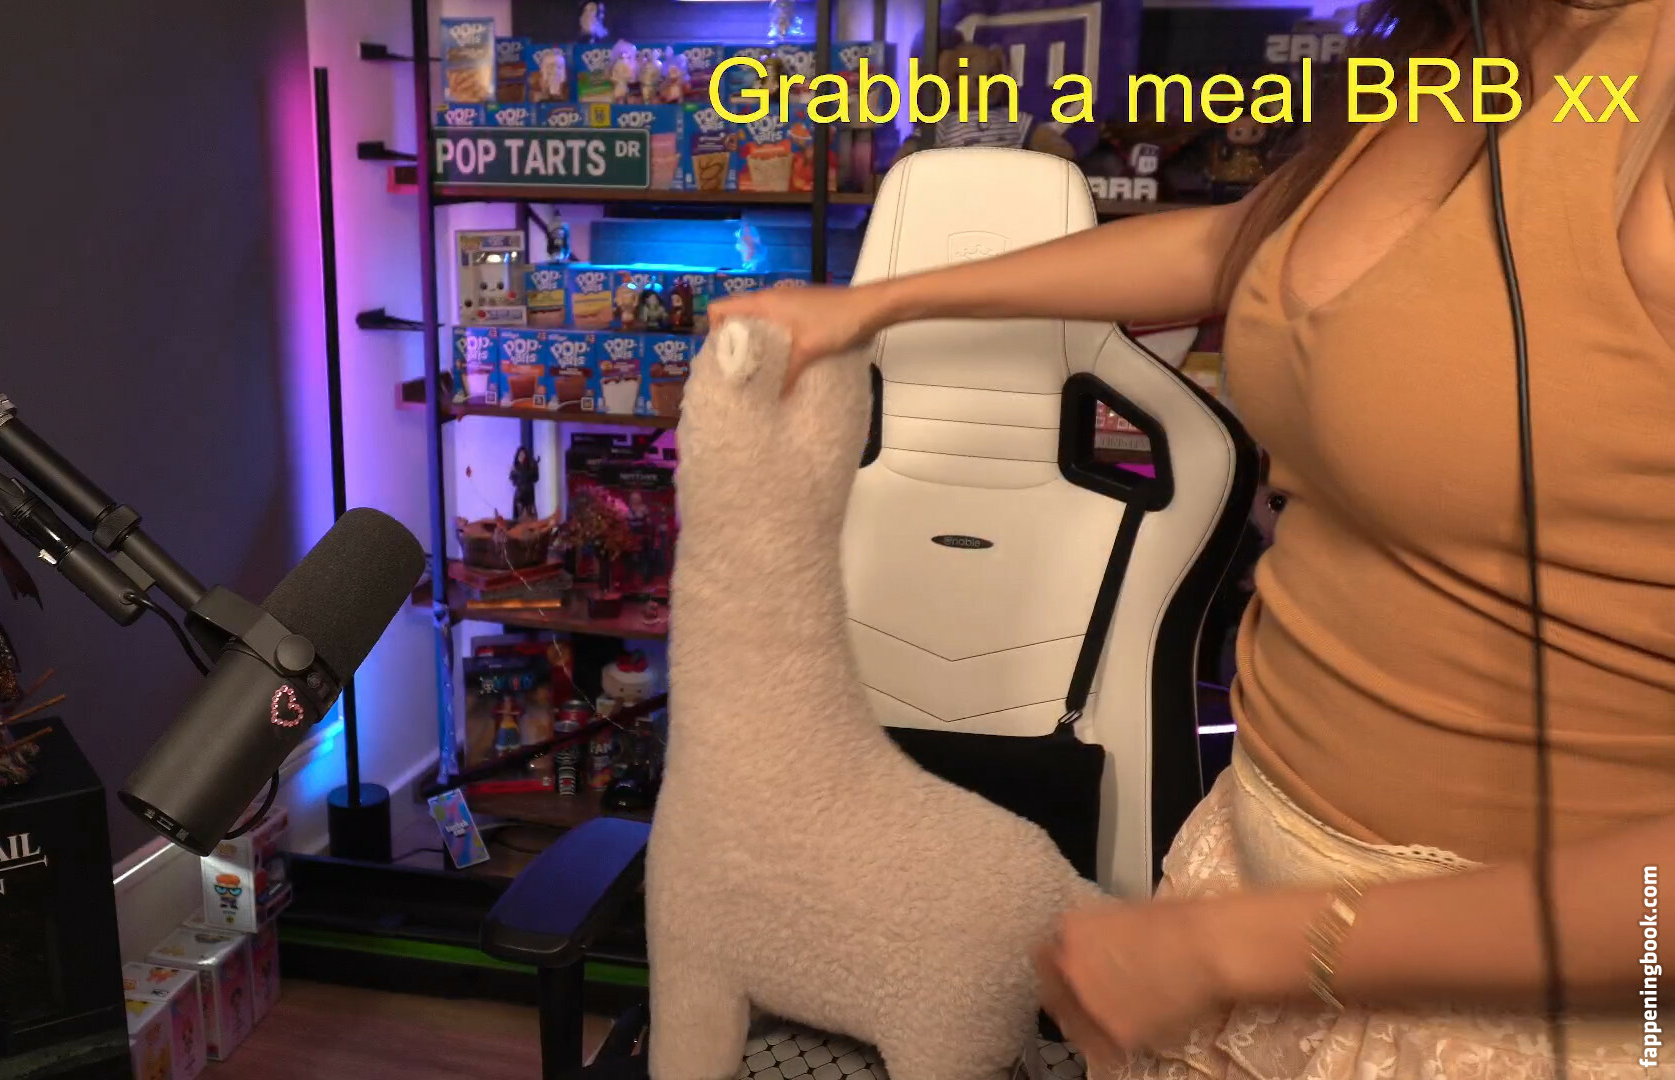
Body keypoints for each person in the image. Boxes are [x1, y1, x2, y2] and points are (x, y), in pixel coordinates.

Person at [710, 0, 1675, 1075]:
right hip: (1254, 886)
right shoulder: (1469, 44)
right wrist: (873, 305)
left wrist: (1247, 951)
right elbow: (1241, 245)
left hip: (1523, 1007)